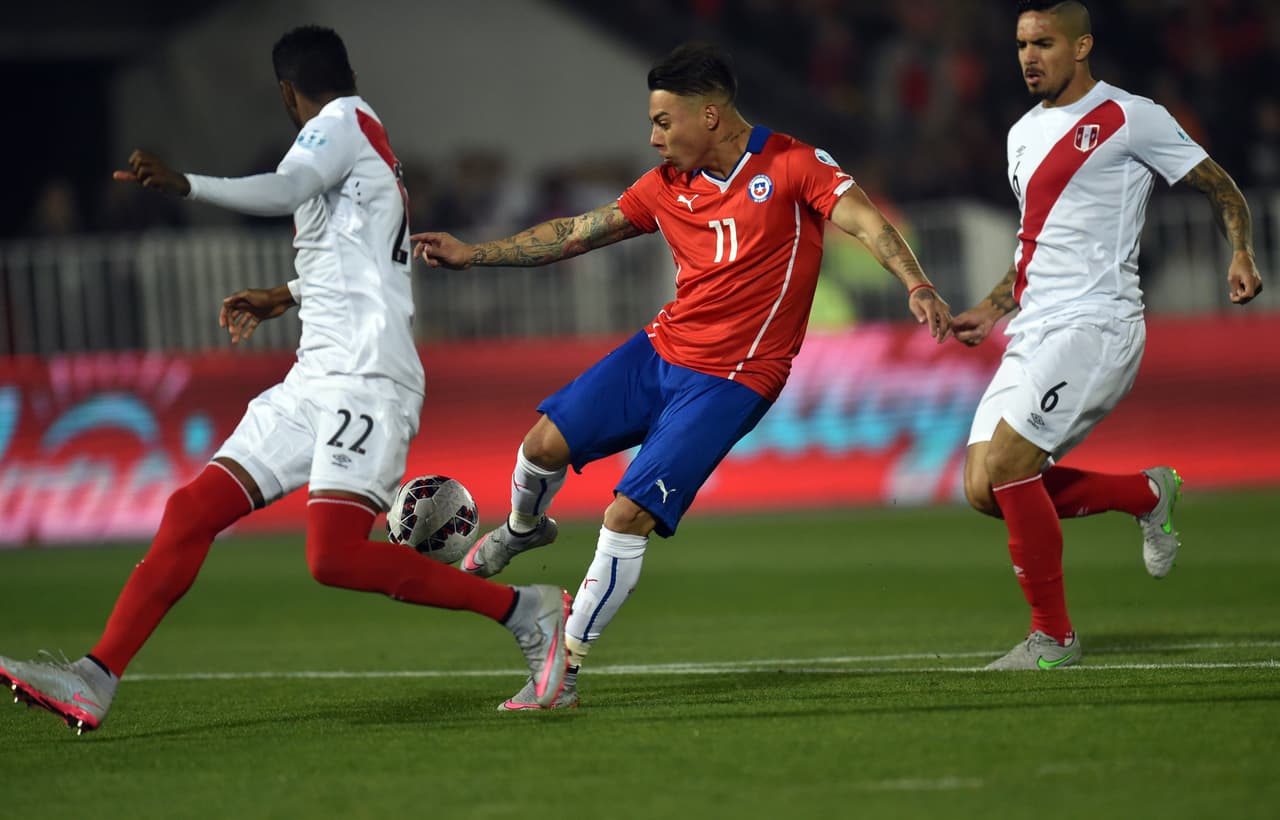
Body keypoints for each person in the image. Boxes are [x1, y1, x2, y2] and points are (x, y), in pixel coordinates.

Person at [0, 25, 568, 735]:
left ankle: (525, 611)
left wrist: (188, 184)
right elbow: (357, 258)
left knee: (331, 556)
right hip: (314, 377)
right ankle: (94, 677)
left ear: (286, 94)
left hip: (365, 378)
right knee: (191, 512)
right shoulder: (366, 140)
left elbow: (286, 187)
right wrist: (286, 293)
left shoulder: (336, 127)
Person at [412, 42, 953, 709]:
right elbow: (578, 231)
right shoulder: (665, 186)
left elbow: (866, 221)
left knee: (627, 513)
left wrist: (917, 284)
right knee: (542, 445)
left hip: (734, 377)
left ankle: (564, 669)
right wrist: (478, 255)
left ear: (712, 116)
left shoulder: (791, 164)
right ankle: (525, 528)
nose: (653, 136)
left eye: (664, 121)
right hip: (662, 350)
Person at [952, 0, 1263, 670]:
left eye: (1044, 43)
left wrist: (1241, 251)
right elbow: (1039, 243)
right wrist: (990, 306)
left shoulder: (1131, 117)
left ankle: (1053, 640)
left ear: (1082, 45)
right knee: (983, 489)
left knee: (1009, 467)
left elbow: (1221, 187)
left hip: (1098, 323)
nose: (1029, 57)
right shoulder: (1020, 133)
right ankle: (1149, 494)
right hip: (1033, 327)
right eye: (1021, 45)